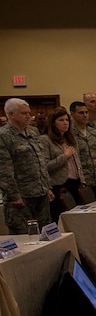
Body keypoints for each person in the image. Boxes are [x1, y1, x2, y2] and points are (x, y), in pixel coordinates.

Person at [0, 98, 54, 234]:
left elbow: (40, 161)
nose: (29, 116)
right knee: (26, 238)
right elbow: (4, 170)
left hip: (40, 194)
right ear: (11, 114)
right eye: (24, 113)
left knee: (46, 236)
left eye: (29, 113)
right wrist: (14, 196)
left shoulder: (32, 132)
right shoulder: (4, 136)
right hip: (21, 198)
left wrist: (46, 187)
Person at [40, 107, 84, 219]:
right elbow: (45, 166)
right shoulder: (45, 140)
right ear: (53, 123)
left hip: (76, 183)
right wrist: (64, 156)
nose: (65, 123)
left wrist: (82, 180)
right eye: (61, 120)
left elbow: (77, 163)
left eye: (67, 120)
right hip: (59, 185)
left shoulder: (69, 139)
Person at [69, 100, 96, 197]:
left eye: (86, 112)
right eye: (81, 113)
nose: (85, 115)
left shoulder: (94, 133)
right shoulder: (69, 135)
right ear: (72, 114)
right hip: (81, 183)